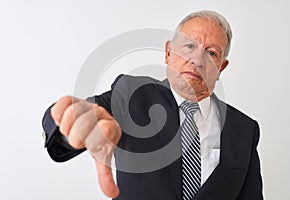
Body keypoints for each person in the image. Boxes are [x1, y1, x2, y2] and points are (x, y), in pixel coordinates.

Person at [42, 10, 263, 200]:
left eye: (212, 53)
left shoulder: (245, 129)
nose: (197, 60)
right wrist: (69, 123)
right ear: (168, 53)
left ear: (221, 67)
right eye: (189, 46)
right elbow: (83, 119)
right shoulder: (131, 95)